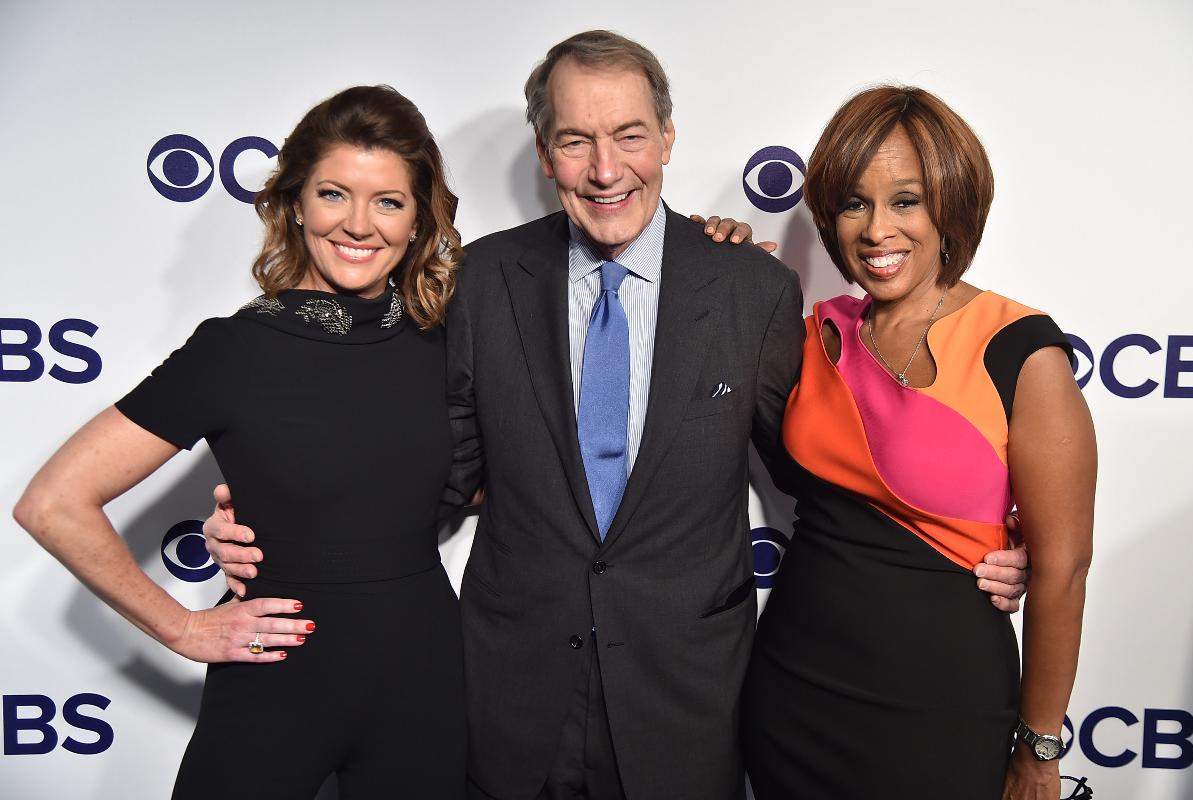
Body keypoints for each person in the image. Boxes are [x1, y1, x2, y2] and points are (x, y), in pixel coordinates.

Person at [204, 32, 1032, 800]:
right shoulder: (480, 283)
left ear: (667, 137)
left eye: (630, 135)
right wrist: (280, 514)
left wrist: (982, 538)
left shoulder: (751, 291)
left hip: (686, 706)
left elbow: (822, 472)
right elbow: (434, 476)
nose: (606, 170)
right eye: (576, 141)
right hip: (511, 702)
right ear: (544, 153)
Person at [13, 85, 469, 798]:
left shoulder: (447, 340)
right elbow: (53, 503)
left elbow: (495, 477)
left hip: (427, 686)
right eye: (333, 194)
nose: (358, 224)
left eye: (388, 201)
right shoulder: (234, 350)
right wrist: (184, 628)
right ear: (296, 203)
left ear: (418, 220)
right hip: (275, 684)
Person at [739, 86, 1096, 800]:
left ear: (951, 206)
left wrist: (1039, 751)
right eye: (854, 203)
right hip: (794, 693)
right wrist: (710, 249)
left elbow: (1062, 571)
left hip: (944, 706)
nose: (877, 231)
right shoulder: (814, 333)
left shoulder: (1020, 350)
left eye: (906, 201)